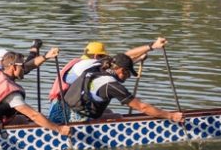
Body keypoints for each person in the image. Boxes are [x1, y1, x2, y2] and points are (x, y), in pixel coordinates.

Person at [48, 38, 168, 122]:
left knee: (108, 111)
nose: (107, 59)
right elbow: (123, 57)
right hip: (68, 111)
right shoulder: (88, 64)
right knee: (116, 117)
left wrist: (135, 60)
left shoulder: (82, 63)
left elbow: (119, 62)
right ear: (96, 56)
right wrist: (152, 46)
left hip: (60, 104)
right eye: (104, 56)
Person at [53, 53, 184, 124]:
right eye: (127, 73)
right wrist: (170, 116)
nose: (127, 77)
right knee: (118, 118)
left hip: (59, 110)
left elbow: (126, 56)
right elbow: (142, 107)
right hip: (74, 121)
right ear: (121, 70)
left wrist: (141, 56)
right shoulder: (112, 85)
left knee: (108, 111)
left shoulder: (97, 67)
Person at [0, 51, 71, 137]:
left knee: (21, 114)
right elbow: (33, 115)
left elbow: (30, 65)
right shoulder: (10, 92)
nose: (24, 69)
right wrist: (59, 129)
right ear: (13, 67)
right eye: (22, 66)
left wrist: (46, 56)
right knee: (24, 119)